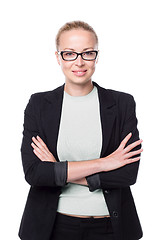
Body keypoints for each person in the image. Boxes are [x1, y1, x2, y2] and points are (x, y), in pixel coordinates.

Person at [18, 21, 143, 240]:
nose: (79, 62)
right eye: (69, 53)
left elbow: (127, 174)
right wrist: (103, 163)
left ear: (97, 56)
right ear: (58, 57)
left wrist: (59, 170)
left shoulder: (122, 103)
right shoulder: (38, 104)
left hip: (111, 227)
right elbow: (35, 173)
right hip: (53, 226)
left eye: (87, 53)